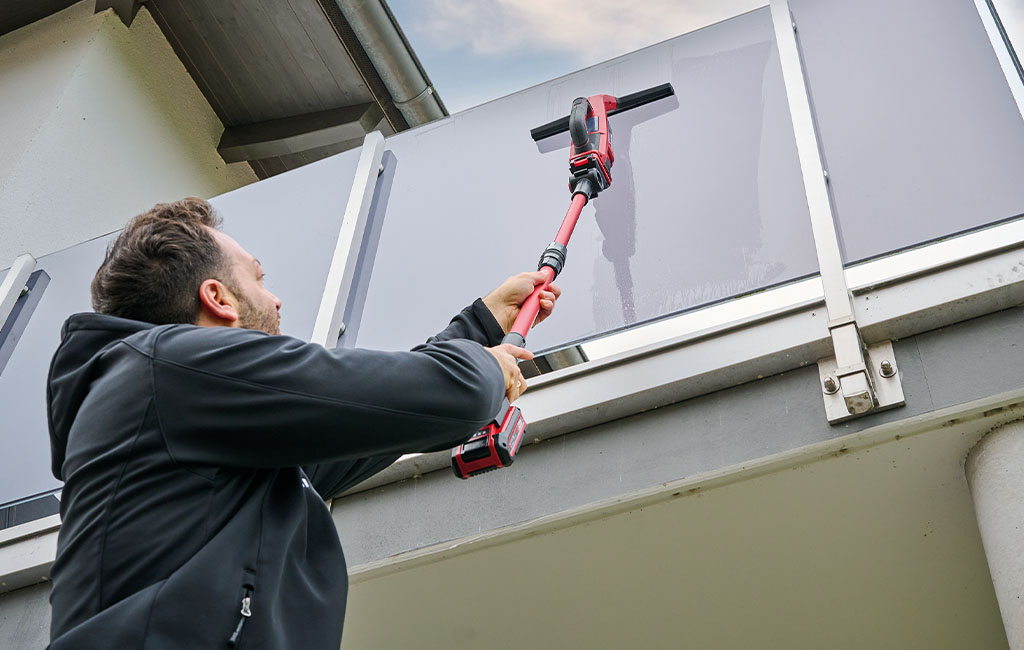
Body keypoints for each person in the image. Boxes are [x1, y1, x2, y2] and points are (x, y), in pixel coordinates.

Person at [45, 197, 560, 649]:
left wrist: (483, 325)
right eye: (259, 277)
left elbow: (385, 416)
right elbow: (459, 395)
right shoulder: (171, 366)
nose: (275, 299)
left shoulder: (193, 410)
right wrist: (485, 365)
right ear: (218, 298)